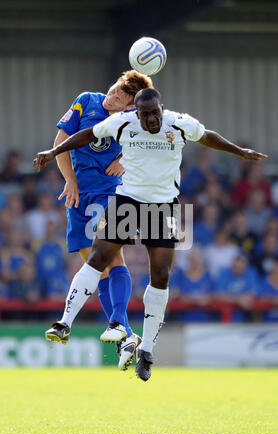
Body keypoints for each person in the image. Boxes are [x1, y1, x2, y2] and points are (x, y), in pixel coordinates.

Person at [34, 88, 267, 381]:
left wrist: (240, 152)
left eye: (154, 113)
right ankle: (64, 323)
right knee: (98, 257)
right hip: (127, 201)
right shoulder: (124, 121)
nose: (151, 119)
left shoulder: (178, 122)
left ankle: (146, 350)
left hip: (163, 207)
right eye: (145, 115)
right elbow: (88, 135)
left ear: (161, 109)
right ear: (137, 114)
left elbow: (207, 135)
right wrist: (55, 151)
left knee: (160, 276)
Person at [42, 70, 153, 371]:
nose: (111, 95)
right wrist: (70, 181)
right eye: (115, 88)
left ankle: (117, 325)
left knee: (110, 255)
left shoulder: (134, 121)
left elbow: (154, 150)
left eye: (119, 97)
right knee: (93, 265)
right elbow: (61, 141)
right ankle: (127, 336)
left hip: (110, 194)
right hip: (77, 196)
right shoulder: (85, 101)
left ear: (129, 107)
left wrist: (126, 160)